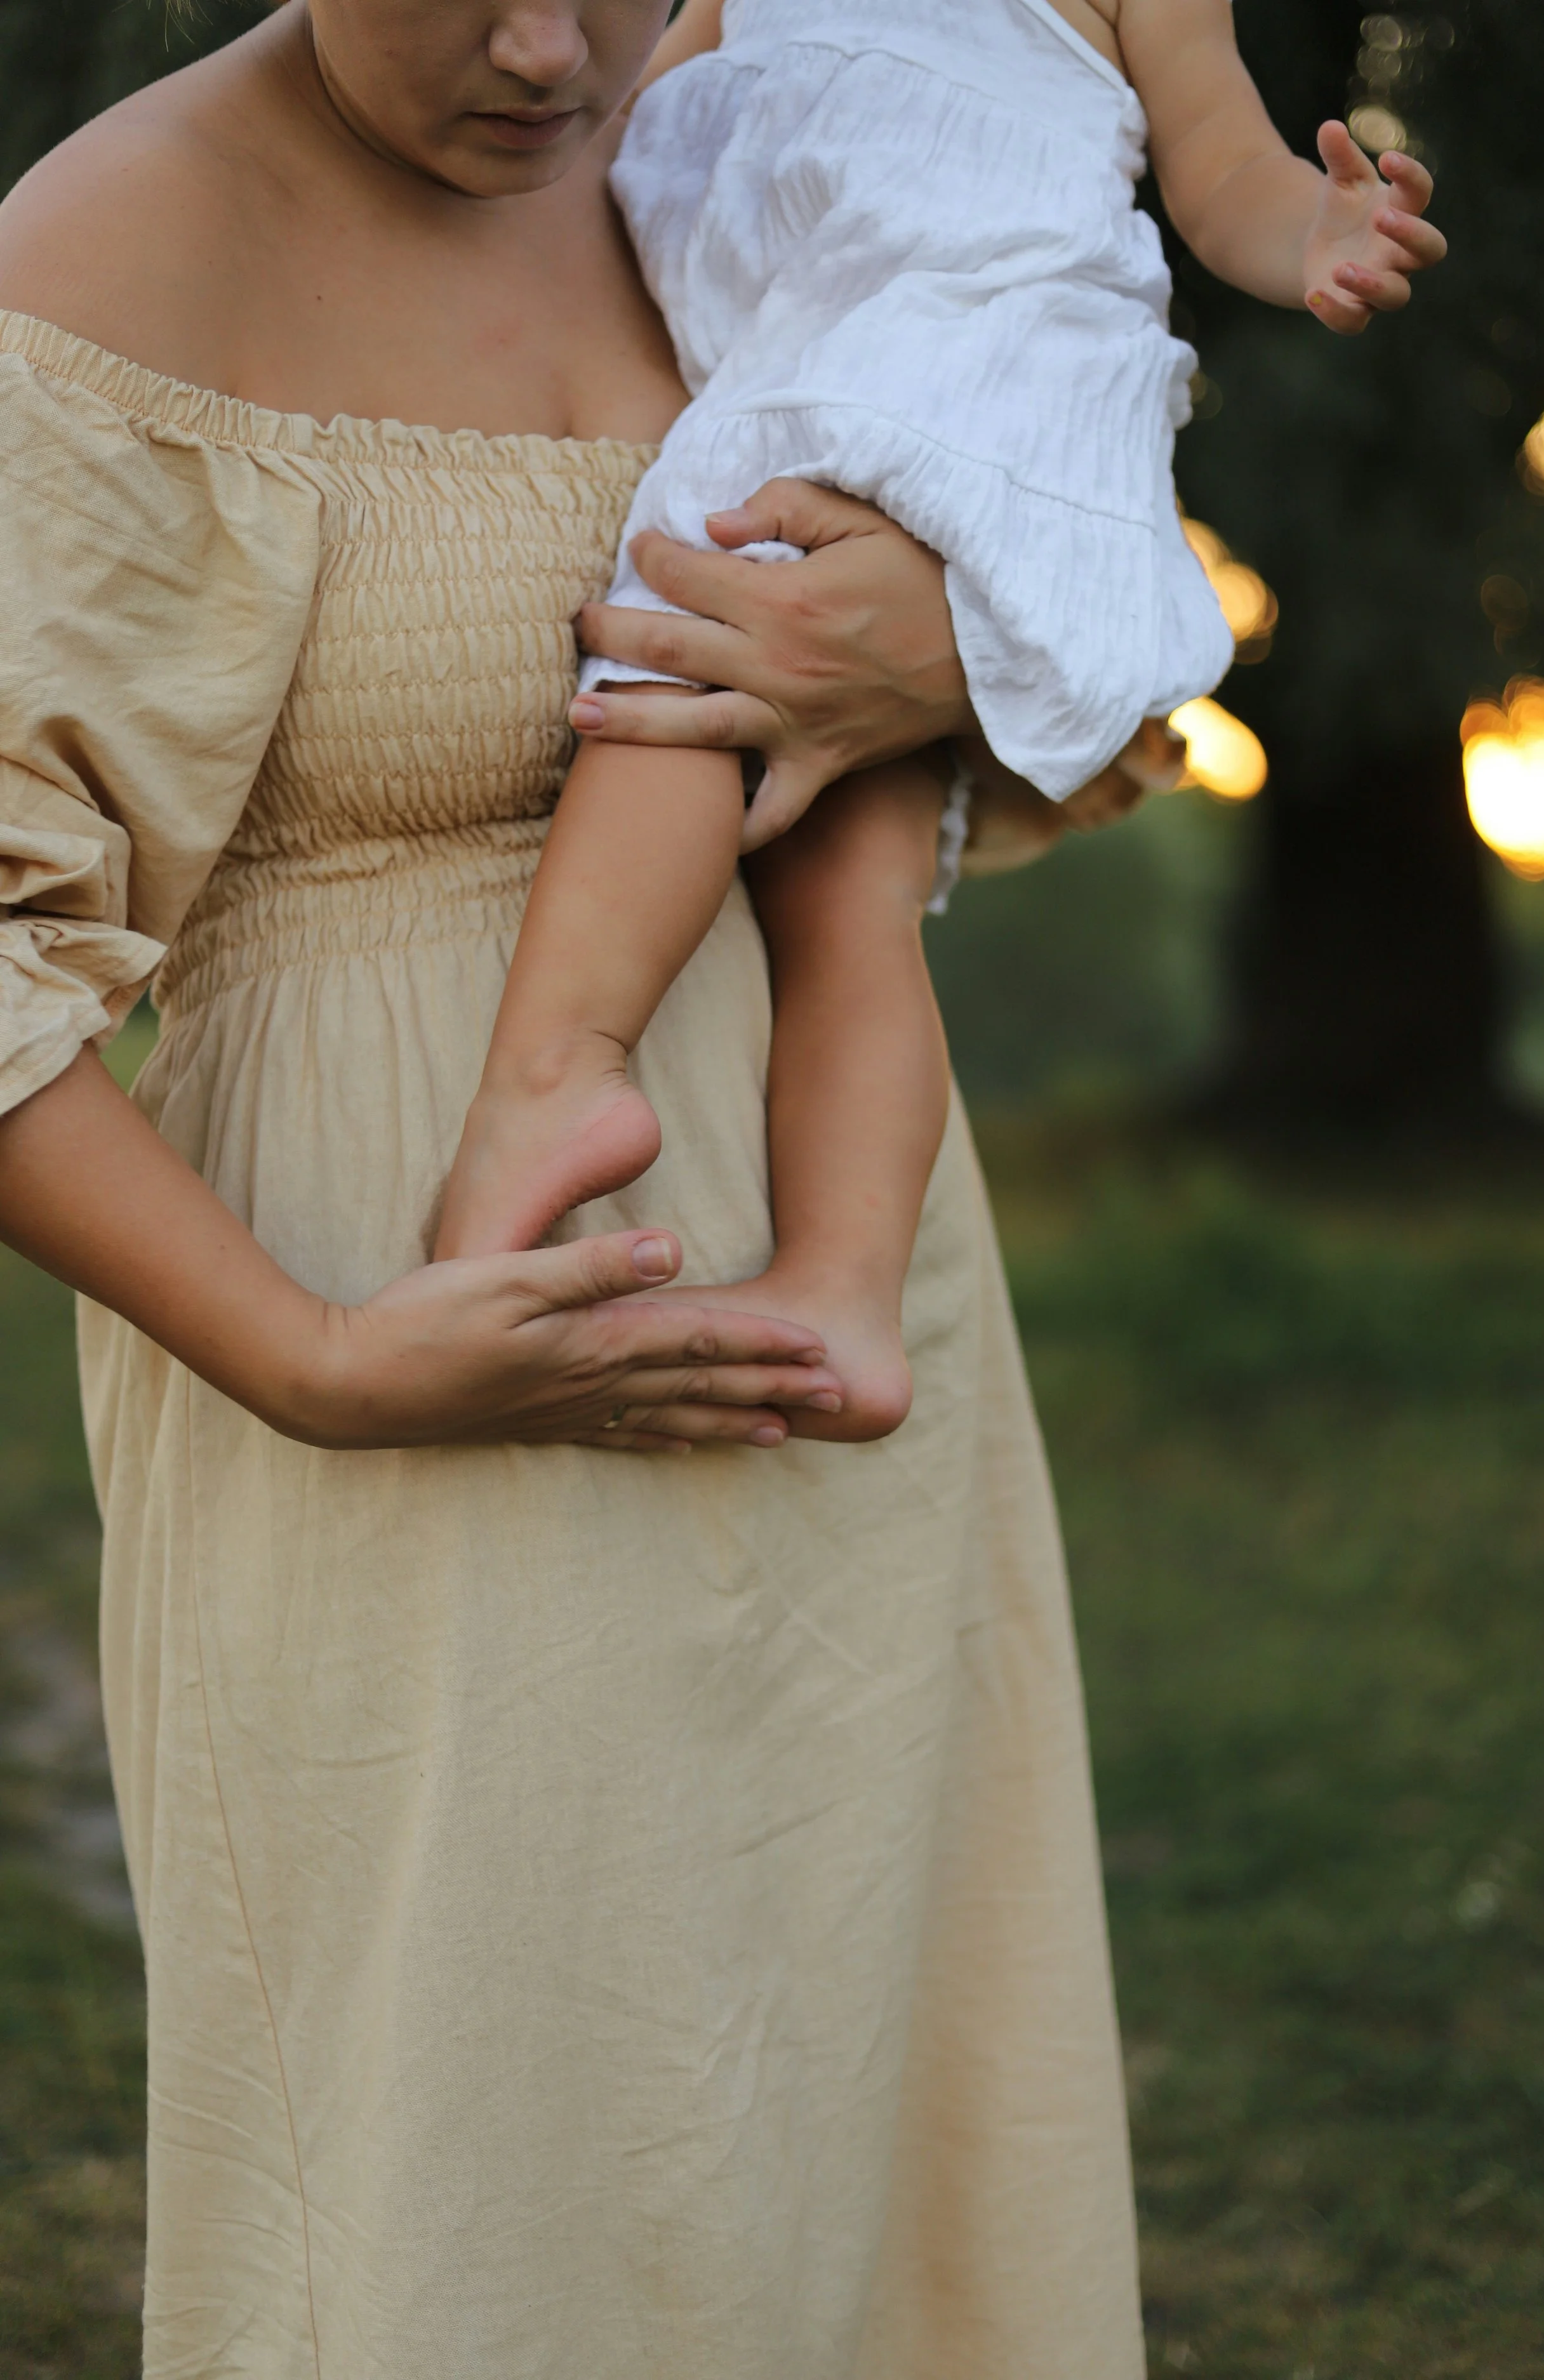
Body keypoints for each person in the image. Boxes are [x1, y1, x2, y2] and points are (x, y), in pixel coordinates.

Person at [0, 1, 1151, 2371]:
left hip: (853, 1324)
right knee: (482, 2187)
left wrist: (936, 639)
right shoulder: (108, 256)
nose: (557, 50)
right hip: (400, 1340)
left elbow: (1064, 523)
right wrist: (309, 1359)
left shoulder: (777, 110)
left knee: (868, 2134)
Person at [432, 0, 1447, 1440]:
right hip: (819, 360)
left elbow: (1222, 170)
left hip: (958, 366)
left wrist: (1315, 236)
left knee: (687, 675)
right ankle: (842, 1291)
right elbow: (607, 143)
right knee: (851, 881)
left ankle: (558, 1072)